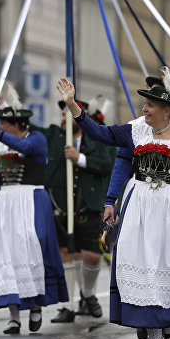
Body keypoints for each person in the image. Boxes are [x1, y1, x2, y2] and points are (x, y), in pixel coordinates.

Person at [56, 68, 170, 339]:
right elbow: (99, 133)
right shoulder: (136, 130)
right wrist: (73, 105)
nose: (144, 109)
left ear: (168, 110)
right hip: (140, 207)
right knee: (144, 267)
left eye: (150, 105)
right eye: (145, 105)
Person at [0, 102, 68, 335]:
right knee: (6, 253)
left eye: (3, 123)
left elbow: (23, 145)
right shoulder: (4, 148)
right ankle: (13, 316)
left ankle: (34, 305)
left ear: (16, 123)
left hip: (31, 199)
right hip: (6, 203)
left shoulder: (37, 139)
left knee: (32, 247)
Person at [43, 98, 116, 323]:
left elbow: (107, 166)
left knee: (93, 254)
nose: (63, 119)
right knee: (66, 252)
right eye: (63, 115)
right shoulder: (55, 137)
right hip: (62, 206)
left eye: (67, 115)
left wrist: (80, 158)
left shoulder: (96, 139)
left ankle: (88, 293)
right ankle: (68, 305)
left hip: (89, 205)